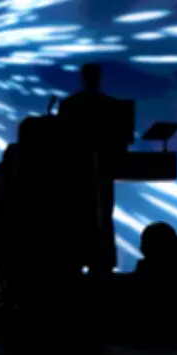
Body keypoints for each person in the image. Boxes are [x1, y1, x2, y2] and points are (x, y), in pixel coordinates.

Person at [58, 63, 120, 275]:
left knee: (78, 215)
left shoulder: (70, 104)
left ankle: (76, 262)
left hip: (76, 171)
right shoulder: (110, 105)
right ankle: (101, 263)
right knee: (101, 213)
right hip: (99, 169)